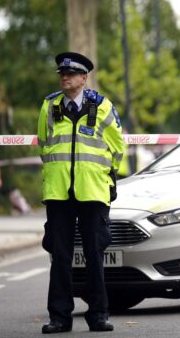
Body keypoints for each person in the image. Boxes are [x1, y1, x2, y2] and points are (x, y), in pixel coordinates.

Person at [38, 52, 126, 334]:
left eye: (71, 73)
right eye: (62, 73)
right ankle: (59, 317)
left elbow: (117, 148)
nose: (65, 77)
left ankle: (99, 315)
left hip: (93, 192)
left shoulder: (102, 107)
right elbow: (44, 145)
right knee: (60, 256)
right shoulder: (49, 106)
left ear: (84, 78)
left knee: (94, 255)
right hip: (59, 192)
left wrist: (105, 176)